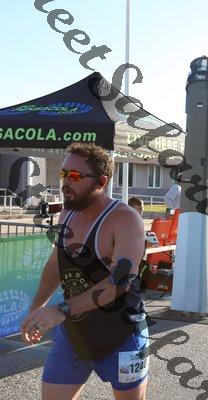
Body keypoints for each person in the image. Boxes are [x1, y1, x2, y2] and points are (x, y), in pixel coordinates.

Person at [20, 143, 148, 399]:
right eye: (63, 174)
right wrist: (36, 308)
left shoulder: (125, 220)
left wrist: (59, 310)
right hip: (75, 334)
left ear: (101, 182)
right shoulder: (67, 212)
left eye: (75, 176)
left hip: (122, 336)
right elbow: (57, 263)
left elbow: (119, 282)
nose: (65, 182)